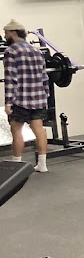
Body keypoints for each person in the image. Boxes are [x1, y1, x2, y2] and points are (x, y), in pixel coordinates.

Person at [2, 19, 49, 173]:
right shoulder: (37, 51)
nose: (5, 36)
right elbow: (44, 77)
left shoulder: (11, 51)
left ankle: (17, 165)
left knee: (16, 130)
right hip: (38, 98)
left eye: (6, 33)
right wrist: (46, 96)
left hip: (20, 99)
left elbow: (11, 79)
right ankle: (42, 164)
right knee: (39, 129)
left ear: (13, 33)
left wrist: (8, 103)